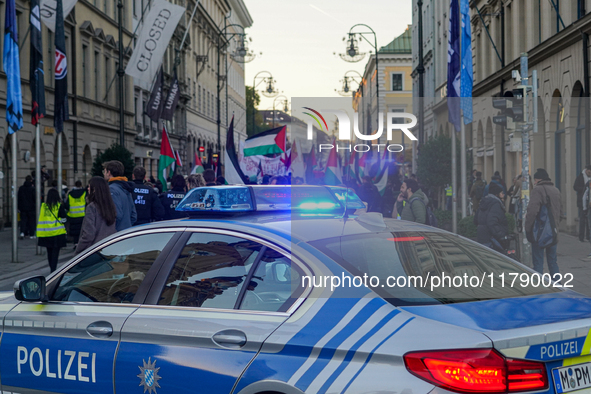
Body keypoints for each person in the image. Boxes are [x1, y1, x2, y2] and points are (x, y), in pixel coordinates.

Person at [525, 168, 562, 276]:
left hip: (539, 232)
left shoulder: (537, 190)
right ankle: (557, 286)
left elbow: (532, 211)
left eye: (535, 180)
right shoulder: (556, 190)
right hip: (553, 231)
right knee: (553, 261)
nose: (534, 182)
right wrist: (555, 225)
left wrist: (528, 228)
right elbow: (560, 212)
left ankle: (539, 286)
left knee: (538, 262)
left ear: (538, 179)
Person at [76, 177, 117, 254]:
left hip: (94, 250)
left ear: (94, 189)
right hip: (108, 248)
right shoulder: (110, 206)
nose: (88, 189)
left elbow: (88, 234)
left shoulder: (92, 207)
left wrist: (78, 250)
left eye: (89, 186)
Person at [36, 188, 67, 272]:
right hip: (57, 233)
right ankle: (53, 270)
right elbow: (64, 219)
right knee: (55, 253)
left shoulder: (43, 206)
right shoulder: (59, 206)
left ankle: (51, 268)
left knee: (49, 253)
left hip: (46, 233)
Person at [103, 160, 137, 231]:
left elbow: (117, 214)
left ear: (109, 173)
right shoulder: (125, 188)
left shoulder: (111, 189)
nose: (104, 174)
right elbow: (133, 216)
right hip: (126, 231)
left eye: (105, 171)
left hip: (117, 233)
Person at [474, 182, 508, 250]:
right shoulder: (495, 204)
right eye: (501, 193)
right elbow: (492, 222)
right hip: (492, 239)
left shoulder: (484, 202)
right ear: (496, 194)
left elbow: (475, 220)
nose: (503, 195)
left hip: (482, 238)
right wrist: (501, 235)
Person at [64, 180, 86, 245]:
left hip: (72, 215)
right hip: (82, 215)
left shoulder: (70, 193)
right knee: (81, 230)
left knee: (74, 230)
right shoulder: (84, 192)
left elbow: (67, 205)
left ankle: (75, 243)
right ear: (81, 185)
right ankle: (79, 243)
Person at [573, 165, 591, 242]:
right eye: (589, 172)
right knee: (582, 219)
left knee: (588, 220)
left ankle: (588, 236)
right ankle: (581, 237)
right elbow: (575, 187)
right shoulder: (580, 177)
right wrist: (584, 189)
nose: (590, 174)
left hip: (589, 202)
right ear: (586, 170)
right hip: (582, 202)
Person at [18, 175, 36, 239]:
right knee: (31, 221)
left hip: (23, 207)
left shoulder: (21, 188)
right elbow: (35, 198)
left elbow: (19, 198)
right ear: (31, 180)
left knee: (23, 220)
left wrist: (18, 207)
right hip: (31, 208)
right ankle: (31, 234)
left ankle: (23, 232)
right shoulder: (32, 189)